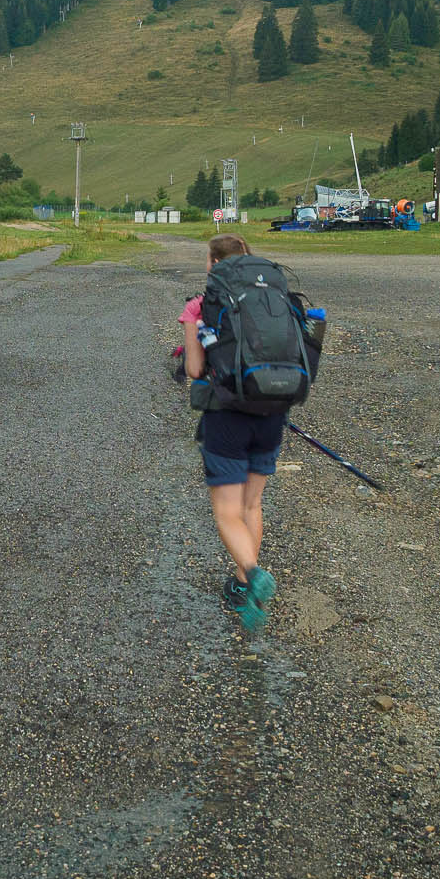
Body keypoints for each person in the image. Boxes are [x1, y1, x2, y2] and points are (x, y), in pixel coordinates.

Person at [181, 232, 281, 631]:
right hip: (272, 411)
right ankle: (242, 586)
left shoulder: (199, 306)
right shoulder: (274, 299)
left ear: (212, 263)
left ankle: (254, 574)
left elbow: (193, 369)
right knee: (252, 506)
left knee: (226, 511)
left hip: (227, 416)